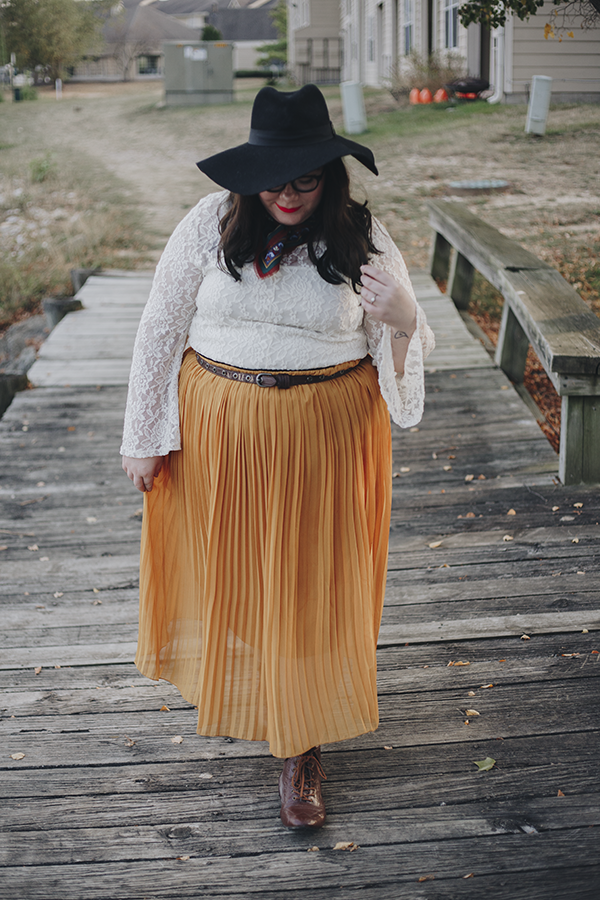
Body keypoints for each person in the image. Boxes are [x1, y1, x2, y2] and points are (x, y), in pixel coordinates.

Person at [121, 84, 434, 830]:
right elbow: (159, 328)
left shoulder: (361, 237)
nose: (288, 195)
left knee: (306, 581)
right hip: (219, 437)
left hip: (324, 441)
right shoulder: (210, 222)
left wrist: (404, 318)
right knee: (238, 571)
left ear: (330, 177)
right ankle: (271, 692)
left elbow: (403, 363)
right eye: (274, 180)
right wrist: (142, 436)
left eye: (306, 179)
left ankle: (299, 747)